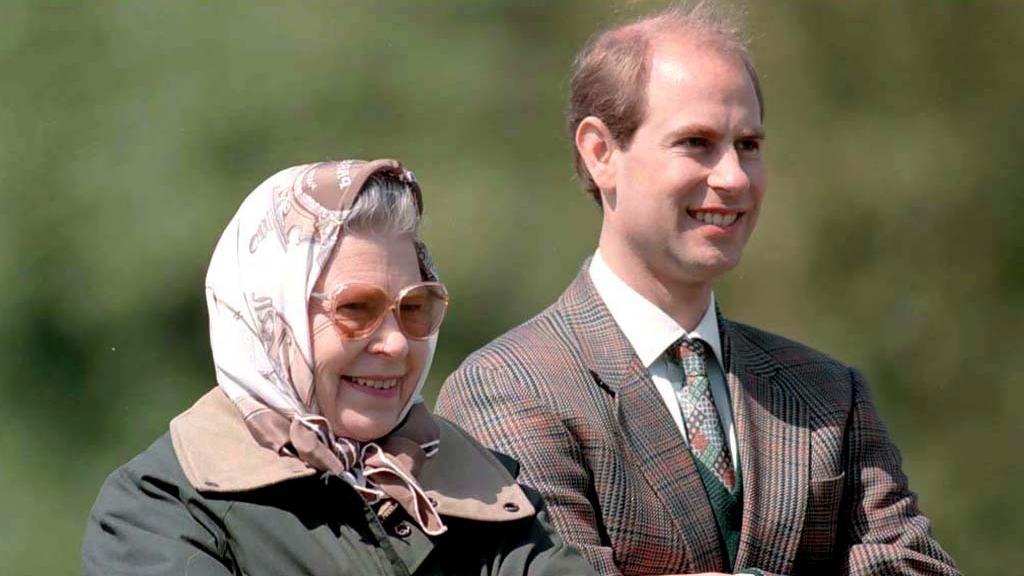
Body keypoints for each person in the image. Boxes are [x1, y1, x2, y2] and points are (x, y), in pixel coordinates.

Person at [436, 5, 959, 576]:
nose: (733, 177)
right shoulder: (509, 390)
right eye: (696, 142)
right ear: (600, 152)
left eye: (749, 144)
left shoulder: (830, 395)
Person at [82, 159, 595, 575]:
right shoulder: (161, 508)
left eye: (414, 308)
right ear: (267, 318)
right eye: (356, 309)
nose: (395, 343)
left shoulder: (482, 492)